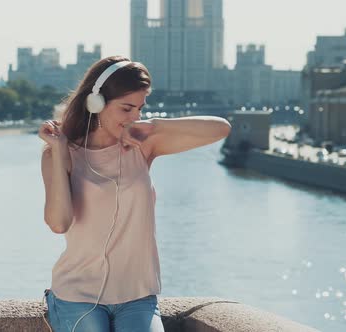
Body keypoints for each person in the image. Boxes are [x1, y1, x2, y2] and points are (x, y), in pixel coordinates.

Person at [38, 56, 231, 332]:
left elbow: (221, 129)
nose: (134, 117)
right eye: (126, 108)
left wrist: (155, 126)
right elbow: (59, 223)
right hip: (77, 295)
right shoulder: (61, 154)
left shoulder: (142, 144)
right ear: (96, 102)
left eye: (140, 108)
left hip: (137, 296)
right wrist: (58, 150)